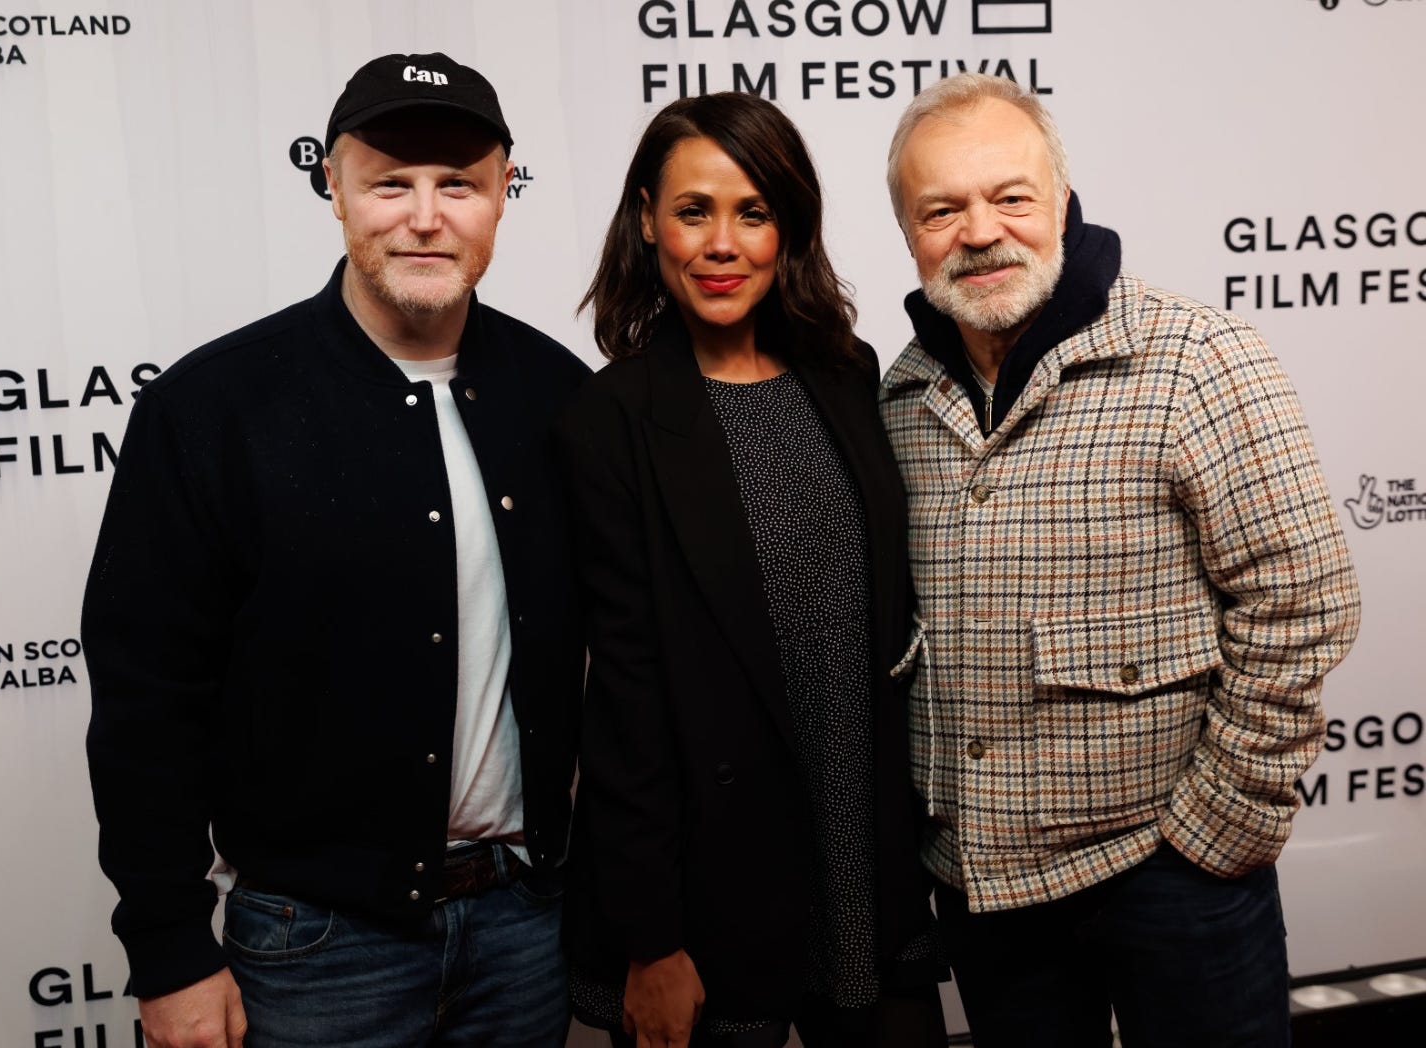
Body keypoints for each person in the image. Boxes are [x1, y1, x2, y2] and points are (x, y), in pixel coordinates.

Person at [83, 52, 588, 1048]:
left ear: (501, 196)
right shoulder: (213, 410)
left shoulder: (561, 395)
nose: (425, 215)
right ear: (333, 188)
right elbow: (148, 702)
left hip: (526, 927)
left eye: (459, 186)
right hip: (315, 945)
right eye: (390, 183)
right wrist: (170, 947)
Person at [881, 72, 1362, 1047]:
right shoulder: (897, 392)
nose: (979, 231)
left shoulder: (1196, 358)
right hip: (986, 894)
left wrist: (1217, 831)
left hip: (1169, 877)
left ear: (1060, 200)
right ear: (907, 230)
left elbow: (1302, 601)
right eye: (942, 208)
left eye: (1010, 196)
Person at [555, 92, 946, 1048]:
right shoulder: (608, 423)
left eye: (753, 213)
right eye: (694, 212)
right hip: (712, 891)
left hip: (868, 858)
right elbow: (623, 704)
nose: (722, 244)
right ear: (648, 219)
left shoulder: (848, 374)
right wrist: (653, 940)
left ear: (789, 229)